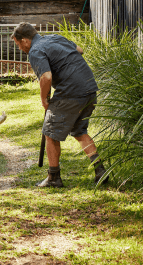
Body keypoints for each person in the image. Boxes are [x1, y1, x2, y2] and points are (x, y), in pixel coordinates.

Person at [11, 22, 108, 187]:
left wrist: (43, 99)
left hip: (71, 92)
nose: (20, 48)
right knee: (79, 130)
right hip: (89, 88)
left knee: (50, 132)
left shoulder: (35, 50)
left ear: (25, 40)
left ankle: (54, 178)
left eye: (19, 44)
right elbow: (79, 50)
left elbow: (46, 77)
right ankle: (101, 170)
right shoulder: (55, 38)